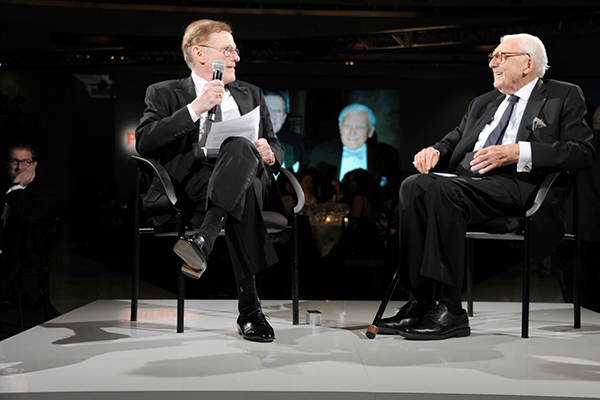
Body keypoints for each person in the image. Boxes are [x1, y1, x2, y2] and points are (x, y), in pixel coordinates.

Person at [378, 33, 595, 340]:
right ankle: (421, 301)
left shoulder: (563, 95)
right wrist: (435, 151)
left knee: (442, 191)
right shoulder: (483, 103)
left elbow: (583, 152)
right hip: (470, 185)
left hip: (519, 187)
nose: (492, 62)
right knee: (413, 186)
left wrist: (520, 151)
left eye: (501, 56)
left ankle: (451, 309)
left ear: (527, 64)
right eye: (492, 56)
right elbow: (454, 139)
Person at [135, 19, 285, 342]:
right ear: (200, 53)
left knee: (243, 151)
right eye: (228, 50)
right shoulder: (164, 93)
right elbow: (144, 141)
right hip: (191, 183)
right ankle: (250, 310)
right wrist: (194, 108)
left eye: (235, 49)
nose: (236, 57)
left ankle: (203, 239)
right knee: (245, 192)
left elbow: (275, 144)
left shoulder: (251, 94)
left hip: (243, 175)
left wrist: (269, 153)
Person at [1, 144, 57, 300]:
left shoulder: (43, 192)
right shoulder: (5, 187)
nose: (19, 167)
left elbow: (28, 215)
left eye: (25, 162)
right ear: (6, 163)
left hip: (20, 265)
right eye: (14, 161)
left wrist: (17, 187)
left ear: (34, 165)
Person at [309, 103, 399, 198]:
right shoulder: (320, 152)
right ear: (340, 127)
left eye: (360, 127)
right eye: (348, 126)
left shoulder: (388, 154)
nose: (352, 133)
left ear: (371, 131)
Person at [265, 90, 308, 173]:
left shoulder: (297, 143)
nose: (272, 115)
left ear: (284, 117)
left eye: (277, 111)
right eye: (267, 109)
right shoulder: (244, 142)